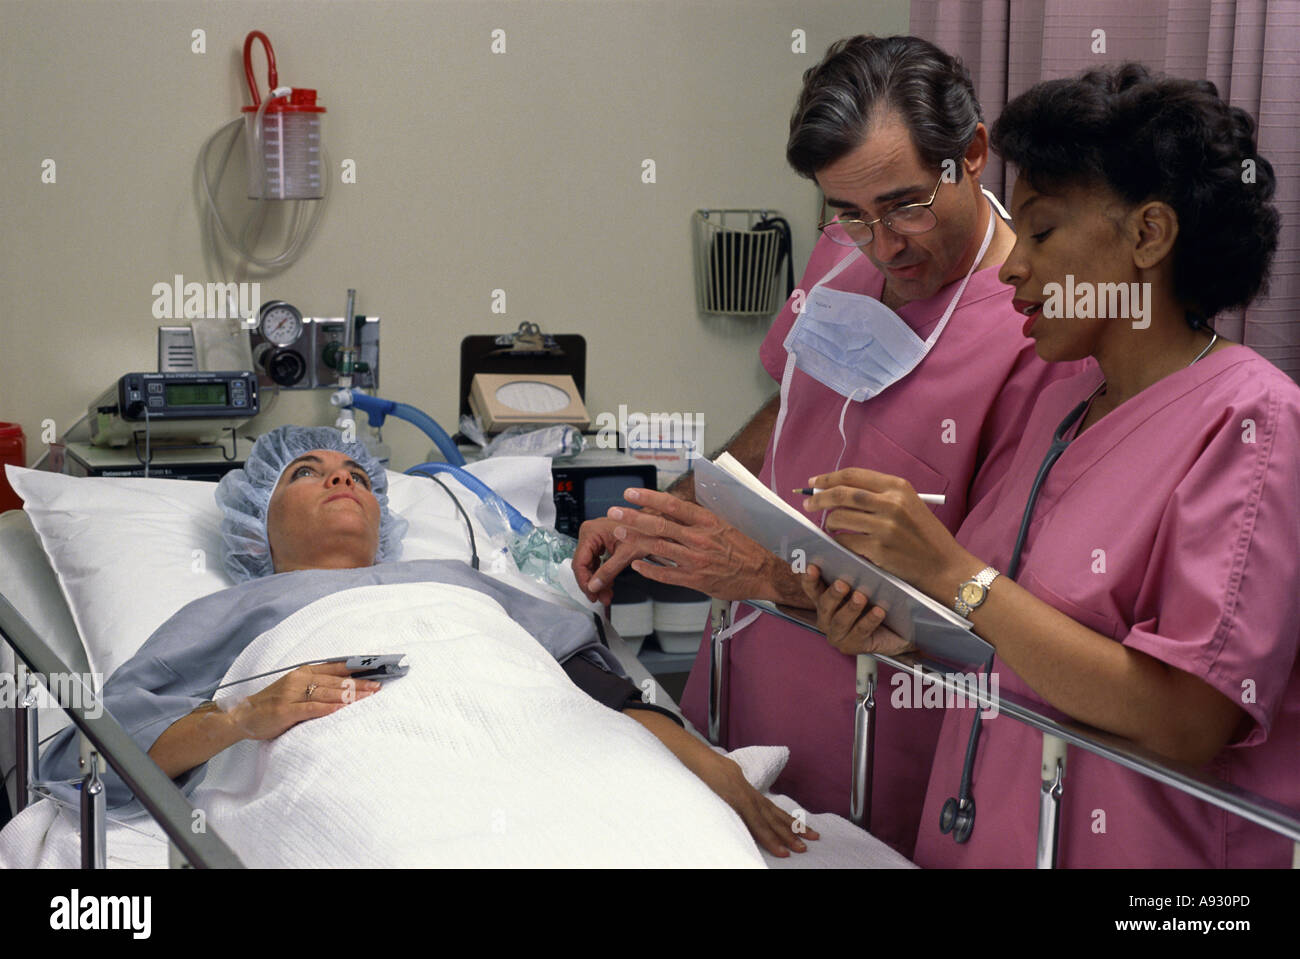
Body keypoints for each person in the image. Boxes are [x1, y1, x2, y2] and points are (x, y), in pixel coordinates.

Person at [573, 34, 1085, 856]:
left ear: (974, 155)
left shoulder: (1040, 334)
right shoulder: (841, 250)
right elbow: (793, 405)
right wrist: (674, 506)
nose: (882, 245)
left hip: (881, 709)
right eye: (851, 212)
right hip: (743, 661)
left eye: (907, 205)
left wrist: (769, 576)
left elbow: (980, 613)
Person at [800, 63, 1300, 867]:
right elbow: (1012, 638)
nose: (1012, 268)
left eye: (1040, 232)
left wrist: (955, 571)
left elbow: (1188, 718)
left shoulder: (1253, 421)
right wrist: (900, 628)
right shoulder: (1064, 411)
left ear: (1148, 236)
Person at [42, 426, 816, 858]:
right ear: (256, 524)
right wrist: (241, 719)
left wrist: (709, 767)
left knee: (683, 840)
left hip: (548, 739)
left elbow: (603, 691)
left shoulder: (468, 583)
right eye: (306, 473)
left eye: (355, 473)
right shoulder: (232, 612)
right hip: (366, 751)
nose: (340, 479)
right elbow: (90, 759)